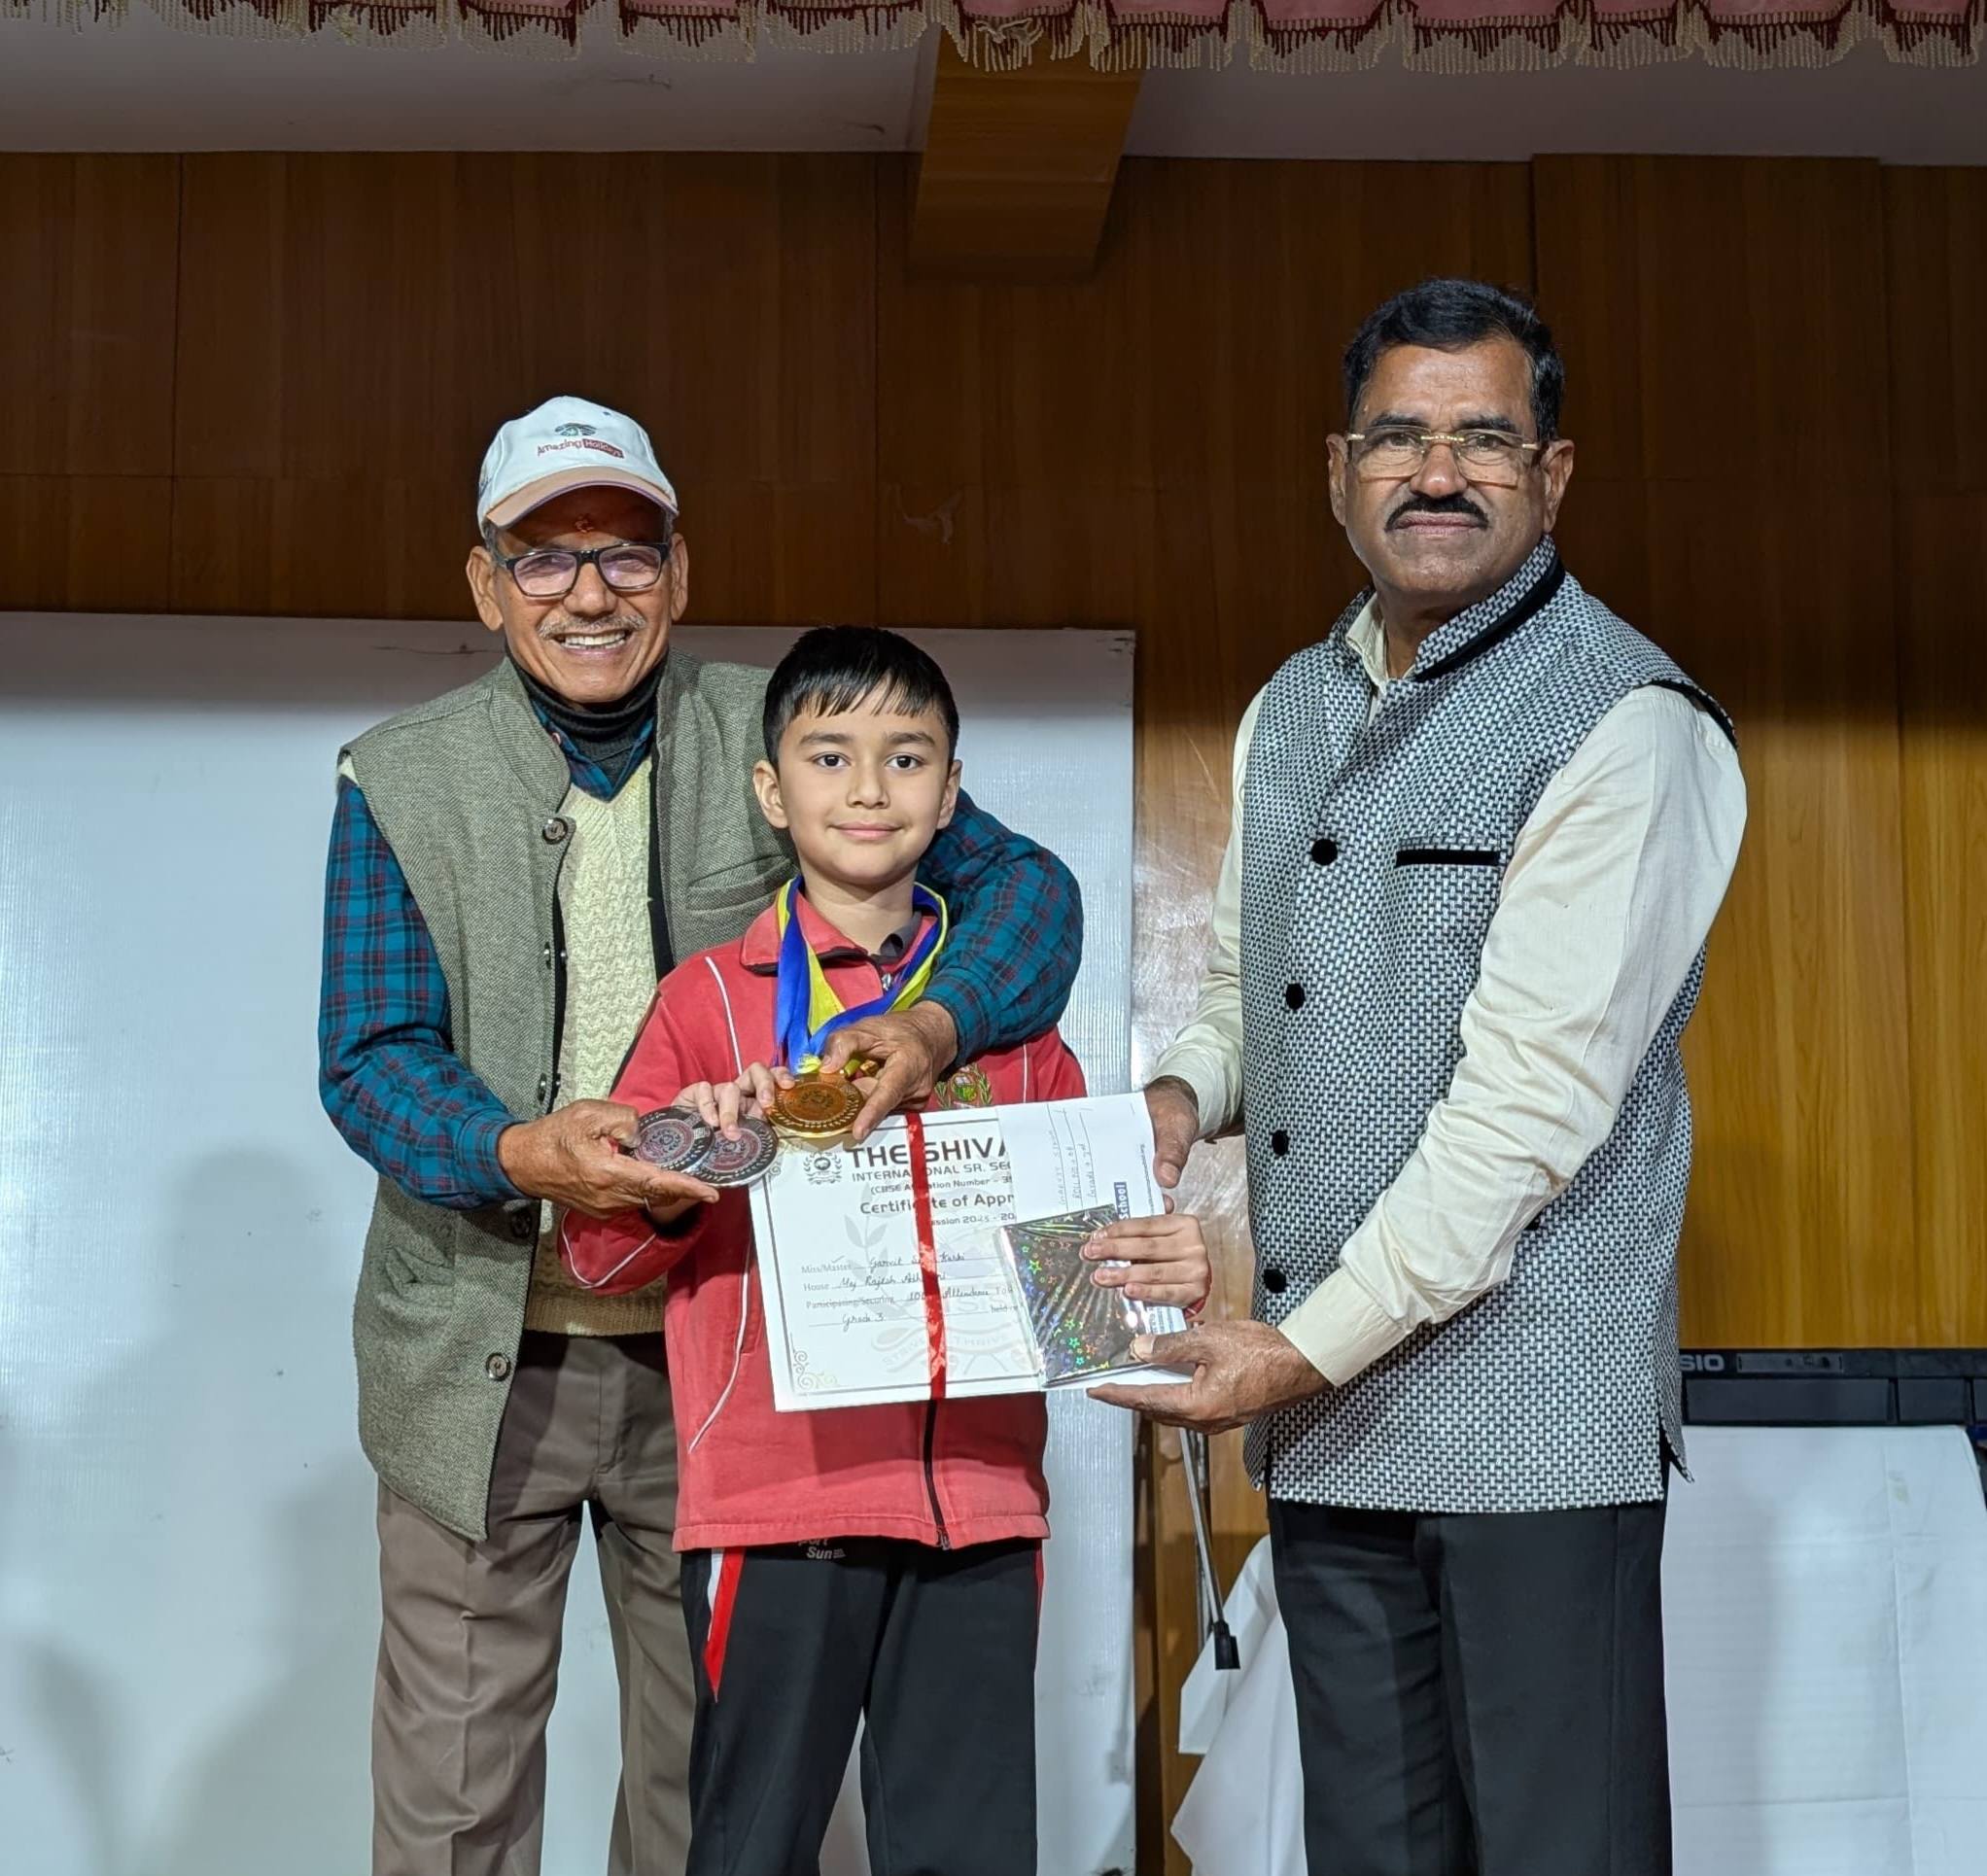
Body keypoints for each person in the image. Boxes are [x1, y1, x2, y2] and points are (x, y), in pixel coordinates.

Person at [317, 400, 1086, 1876]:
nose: (588, 592)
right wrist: (523, 1151)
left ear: (678, 569)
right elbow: (370, 1057)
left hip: (735, 1355)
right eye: (544, 558)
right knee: (452, 1797)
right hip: (479, 1352)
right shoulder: (395, 777)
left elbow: (1029, 895)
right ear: (484, 584)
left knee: (705, 1796)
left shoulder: (794, 726)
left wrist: (932, 1027)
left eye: (625, 552)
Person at [1094, 281, 1747, 1876]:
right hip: (1331, 1424)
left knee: (1557, 1850)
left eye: (1483, 439)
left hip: (1532, 1425)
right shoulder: (1287, 704)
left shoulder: (1629, 721)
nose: (1436, 473)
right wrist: (1178, 1097)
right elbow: (1253, 990)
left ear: (1551, 474)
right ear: (1338, 471)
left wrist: (1290, 1351)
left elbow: (1522, 1116)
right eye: (1397, 437)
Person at [561, 626, 1212, 1876]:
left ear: (952, 792)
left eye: (906, 757)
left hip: (978, 1503)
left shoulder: (1011, 1025)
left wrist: (1158, 1278)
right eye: (830, 756)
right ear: (771, 791)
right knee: (749, 1849)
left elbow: (1084, 1292)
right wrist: (690, 1161)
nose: (868, 787)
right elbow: (599, 1255)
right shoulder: (709, 1000)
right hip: (776, 1504)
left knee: (968, 1855)